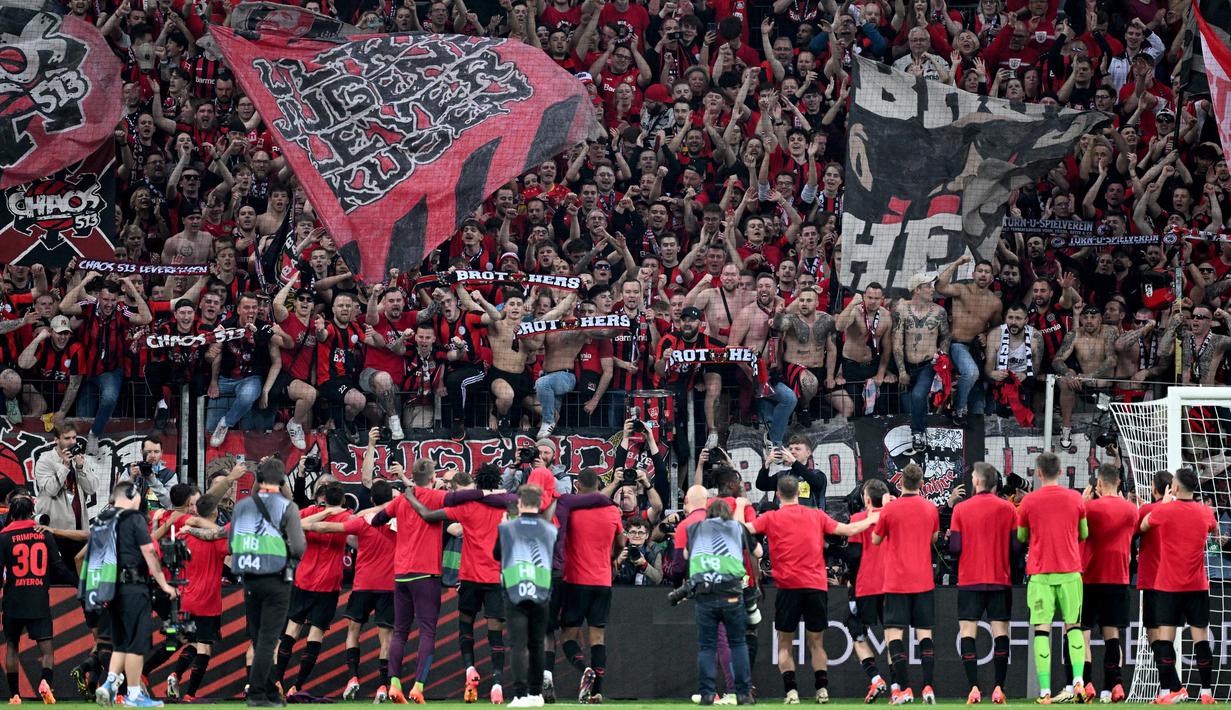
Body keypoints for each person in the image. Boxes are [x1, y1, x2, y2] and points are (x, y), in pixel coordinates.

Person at [185, 459, 305, 708]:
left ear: (257, 481)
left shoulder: (243, 509)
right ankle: (258, 693)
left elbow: (220, 538)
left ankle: (268, 691)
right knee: (269, 640)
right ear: (281, 481)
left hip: (250, 580)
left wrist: (189, 529)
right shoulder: (287, 508)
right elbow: (299, 547)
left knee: (258, 639)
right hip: (276, 579)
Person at [748, 475, 877, 704]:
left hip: (788, 589)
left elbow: (744, 528)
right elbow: (848, 530)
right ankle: (822, 690)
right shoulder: (817, 515)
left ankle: (791, 693)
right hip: (816, 587)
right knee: (816, 643)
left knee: (784, 644)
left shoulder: (770, 517)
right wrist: (873, 518)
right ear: (799, 492)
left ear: (777, 494)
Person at [404, 463, 510, 704]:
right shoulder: (508, 507)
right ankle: (497, 684)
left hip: (470, 577)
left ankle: (470, 669)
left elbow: (427, 515)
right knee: (495, 634)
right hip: (495, 577)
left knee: (466, 627)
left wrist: (410, 496)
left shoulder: (467, 506)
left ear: (477, 484)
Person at [302, 480, 397, 702]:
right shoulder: (398, 521)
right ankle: (383, 686)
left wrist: (313, 521)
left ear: (371, 499)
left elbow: (325, 527)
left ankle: (353, 677)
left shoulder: (363, 521)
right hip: (388, 586)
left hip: (363, 585)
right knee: (386, 638)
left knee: (353, 632)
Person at [92, 482, 179, 708]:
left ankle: (109, 684)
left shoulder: (103, 520)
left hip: (110, 589)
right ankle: (133, 694)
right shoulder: (134, 518)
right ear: (131, 495)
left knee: (121, 642)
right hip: (133, 587)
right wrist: (164, 584)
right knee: (136, 643)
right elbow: (149, 550)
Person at [1139, 467, 1218, 705]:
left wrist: (1163, 505)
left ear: (1174, 488)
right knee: (1201, 638)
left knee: (1165, 639)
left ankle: (1167, 692)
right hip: (1197, 586)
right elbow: (1214, 528)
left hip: (1169, 586)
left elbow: (1143, 525)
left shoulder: (1164, 511)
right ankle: (1206, 693)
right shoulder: (1204, 512)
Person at [1015, 452, 1088, 704]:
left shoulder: (1029, 501)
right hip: (1070, 573)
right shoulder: (1075, 498)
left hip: (1040, 574)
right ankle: (1078, 682)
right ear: (1060, 472)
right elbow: (1084, 533)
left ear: (1038, 473)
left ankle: (1045, 691)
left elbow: (1021, 536)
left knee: (1041, 631)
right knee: (1074, 627)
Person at [274, 483, 351, 699]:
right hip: (327, 583)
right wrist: (329, 513)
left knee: (292, 629)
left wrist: (323, 513)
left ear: (323, 498)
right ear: (343, 500)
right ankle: (296, 686)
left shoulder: (310, 512)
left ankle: (278, 680)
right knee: (315, 633)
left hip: (304, 579)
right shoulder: (345, 516)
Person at [872, 463, 940, 705]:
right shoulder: (930, 508)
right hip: (923, 580)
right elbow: (934, 538)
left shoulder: (890, 509)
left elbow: (875, 539)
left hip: (896, 582)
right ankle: (928, 687)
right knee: (925, 634)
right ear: (921, 483)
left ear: (900, 482)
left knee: (893, 635)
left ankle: (906, 688)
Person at [949, 462, 1016, 705]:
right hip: (1000, 580)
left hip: (970, 581)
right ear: (995, 483)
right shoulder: (1008, 509)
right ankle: (998, 688)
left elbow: (955, 547)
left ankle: (974, 688)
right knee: (1001, 634)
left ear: (977, 481)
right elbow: (1016, 547)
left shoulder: (960, 509)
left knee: (968, 633)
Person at [0, 492, 74, 704]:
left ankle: (14, 695)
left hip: (13, 599)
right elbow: (59, 568)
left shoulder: (3, 537)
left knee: (12, 646)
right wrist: (78, 583)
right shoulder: (43, 533)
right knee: (47, 648)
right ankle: (45, 682)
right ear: (32, 511)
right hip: (38, 599)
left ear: (12, 513)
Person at [685, 498, 758, 707]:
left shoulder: (695, 528)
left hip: (705, 594)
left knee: (707, 647)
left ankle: (707, 694)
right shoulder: (737, 527)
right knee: (738, 644)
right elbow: (758, 553)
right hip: (732, 593)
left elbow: (686, 554)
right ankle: (742, 694)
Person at [494, 485, 557, 708]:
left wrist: (503, 528)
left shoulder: (508, 527)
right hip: (541, 588)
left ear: (520, 503)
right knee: (537, 643)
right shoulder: (550, 529)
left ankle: (520, 695)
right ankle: (536, 694)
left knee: (518, 645)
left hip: (515, 588)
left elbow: (497, 554)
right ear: (539, 504)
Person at [1080, 463, 1136, 704]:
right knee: (1112, 634)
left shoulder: (1089, 508)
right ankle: (1112, 686)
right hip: (1118, 579)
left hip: (1090, 578)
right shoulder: (1131, 510)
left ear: (1099, 484)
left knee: (1082, 633)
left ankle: (1086, 683)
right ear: (1119, 483)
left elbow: (1075, 530)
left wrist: (1082, 503)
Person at [164, 494, 227, 703]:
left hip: (187, 599)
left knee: (192, 643)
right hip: (208, 601)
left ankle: (175, 675)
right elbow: (233, 554)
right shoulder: (217, 538)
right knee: (204, 647)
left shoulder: (183, 535)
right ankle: (190, 694)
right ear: (214, 512)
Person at [936, 256, 1002, 424]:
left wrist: (986, 334)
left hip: (976, 349)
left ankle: (972, 417)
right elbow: (940, 286)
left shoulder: (995, 302)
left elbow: (996, 327)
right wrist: (956, 263)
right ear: (973, 274)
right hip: (956, 344)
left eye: (987, 272)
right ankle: (959, 409)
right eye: (980, 271)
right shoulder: (961, 290)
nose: (983, 274)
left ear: (991, 277)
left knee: (978, 386)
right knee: (971, 372)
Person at [892, 274, 949, 455]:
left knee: (918, 396)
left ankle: (918, 433)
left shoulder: (939, 312)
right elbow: (897, 342)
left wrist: (942, 354)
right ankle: (917, 433)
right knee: (910, 405)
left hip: (928, 364)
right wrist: (902, 371)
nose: (933, 289)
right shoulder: (901, 310)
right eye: (928, 286)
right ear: (917, 289)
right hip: (908, 365)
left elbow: (945, 335)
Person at [845, 479, 891, 704]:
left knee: (857, 631)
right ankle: (898, 687)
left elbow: (854, 555)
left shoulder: (858, 519)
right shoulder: (894, 517)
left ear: (866, 498)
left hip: (867, 585)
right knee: (893, 635)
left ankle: (875, 678)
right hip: (892, 585)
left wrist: (852, 581)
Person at [1051, 305, 1117, 448]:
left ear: (1100, 319)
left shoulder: (1109, 331)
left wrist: (1091, 376)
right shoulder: (1074, 334)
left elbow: (1112, 359)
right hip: (1084, 388)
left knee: (1105, 439)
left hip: (1105, 390)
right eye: (1085, 317)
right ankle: (1066, 428)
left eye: (1093, 317)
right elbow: (1057, 360)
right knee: (1065, 380)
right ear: (1080, 319)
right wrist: (1068, 373)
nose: (1089, 321)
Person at [33, 424, 97, 550]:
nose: (72, 442)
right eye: (67, 438)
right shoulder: (45, 460)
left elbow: (91, 489)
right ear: (56, 440)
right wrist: (65, 467)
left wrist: (80, 468)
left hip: (78, 530)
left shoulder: (78, 459)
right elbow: (50, 490)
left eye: (74, 437)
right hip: (55, 530)